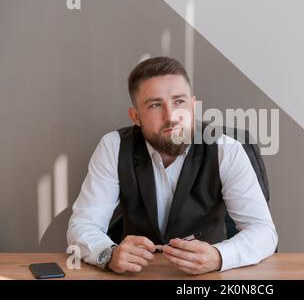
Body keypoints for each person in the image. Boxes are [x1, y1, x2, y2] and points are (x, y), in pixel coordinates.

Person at [67, 56, 278, 275]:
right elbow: (82, 225)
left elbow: (263, 231)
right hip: (138, 275)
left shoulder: (226, 149)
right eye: (155, 105)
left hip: (207, 278)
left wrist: (219, 256)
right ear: (136, 116)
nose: (171, 116)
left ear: (193, 106)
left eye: (179, 102)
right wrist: (108, 254)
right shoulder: (114, 146)